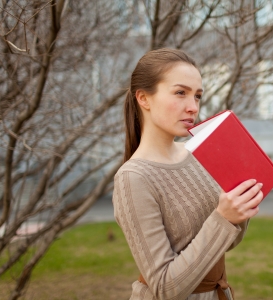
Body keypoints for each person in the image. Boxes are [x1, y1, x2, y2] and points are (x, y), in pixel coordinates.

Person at [112, 48, 264, 300]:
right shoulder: (133, 178)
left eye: (198, 96)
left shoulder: (197, 156)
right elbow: (164, 288)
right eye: (180, 93)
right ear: (143, 98)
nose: (193, 107)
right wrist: (223, 218)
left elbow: (226, 244)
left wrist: (241, 209)